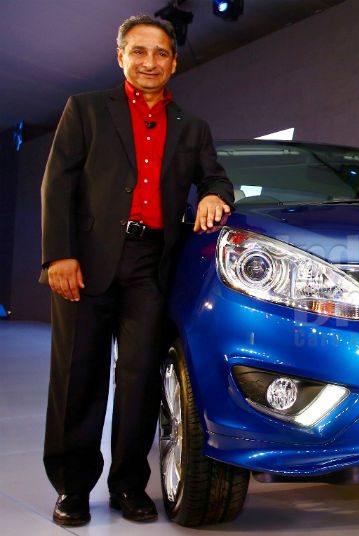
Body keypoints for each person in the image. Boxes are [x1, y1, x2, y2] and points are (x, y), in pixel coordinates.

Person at [40, 15, 234, 526]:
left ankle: (128, 484)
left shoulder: (192, 126)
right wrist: (59, 255)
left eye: (161, 53)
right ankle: (72, 488)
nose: (150, 62)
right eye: (140, 51)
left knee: (140, 380)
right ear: (121, 56)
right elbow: (57, 184)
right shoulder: (86, 109)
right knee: (77, 378)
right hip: (85, 262)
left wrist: (212, 194)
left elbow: (215, 177)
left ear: (174, 62)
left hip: (151, 266)